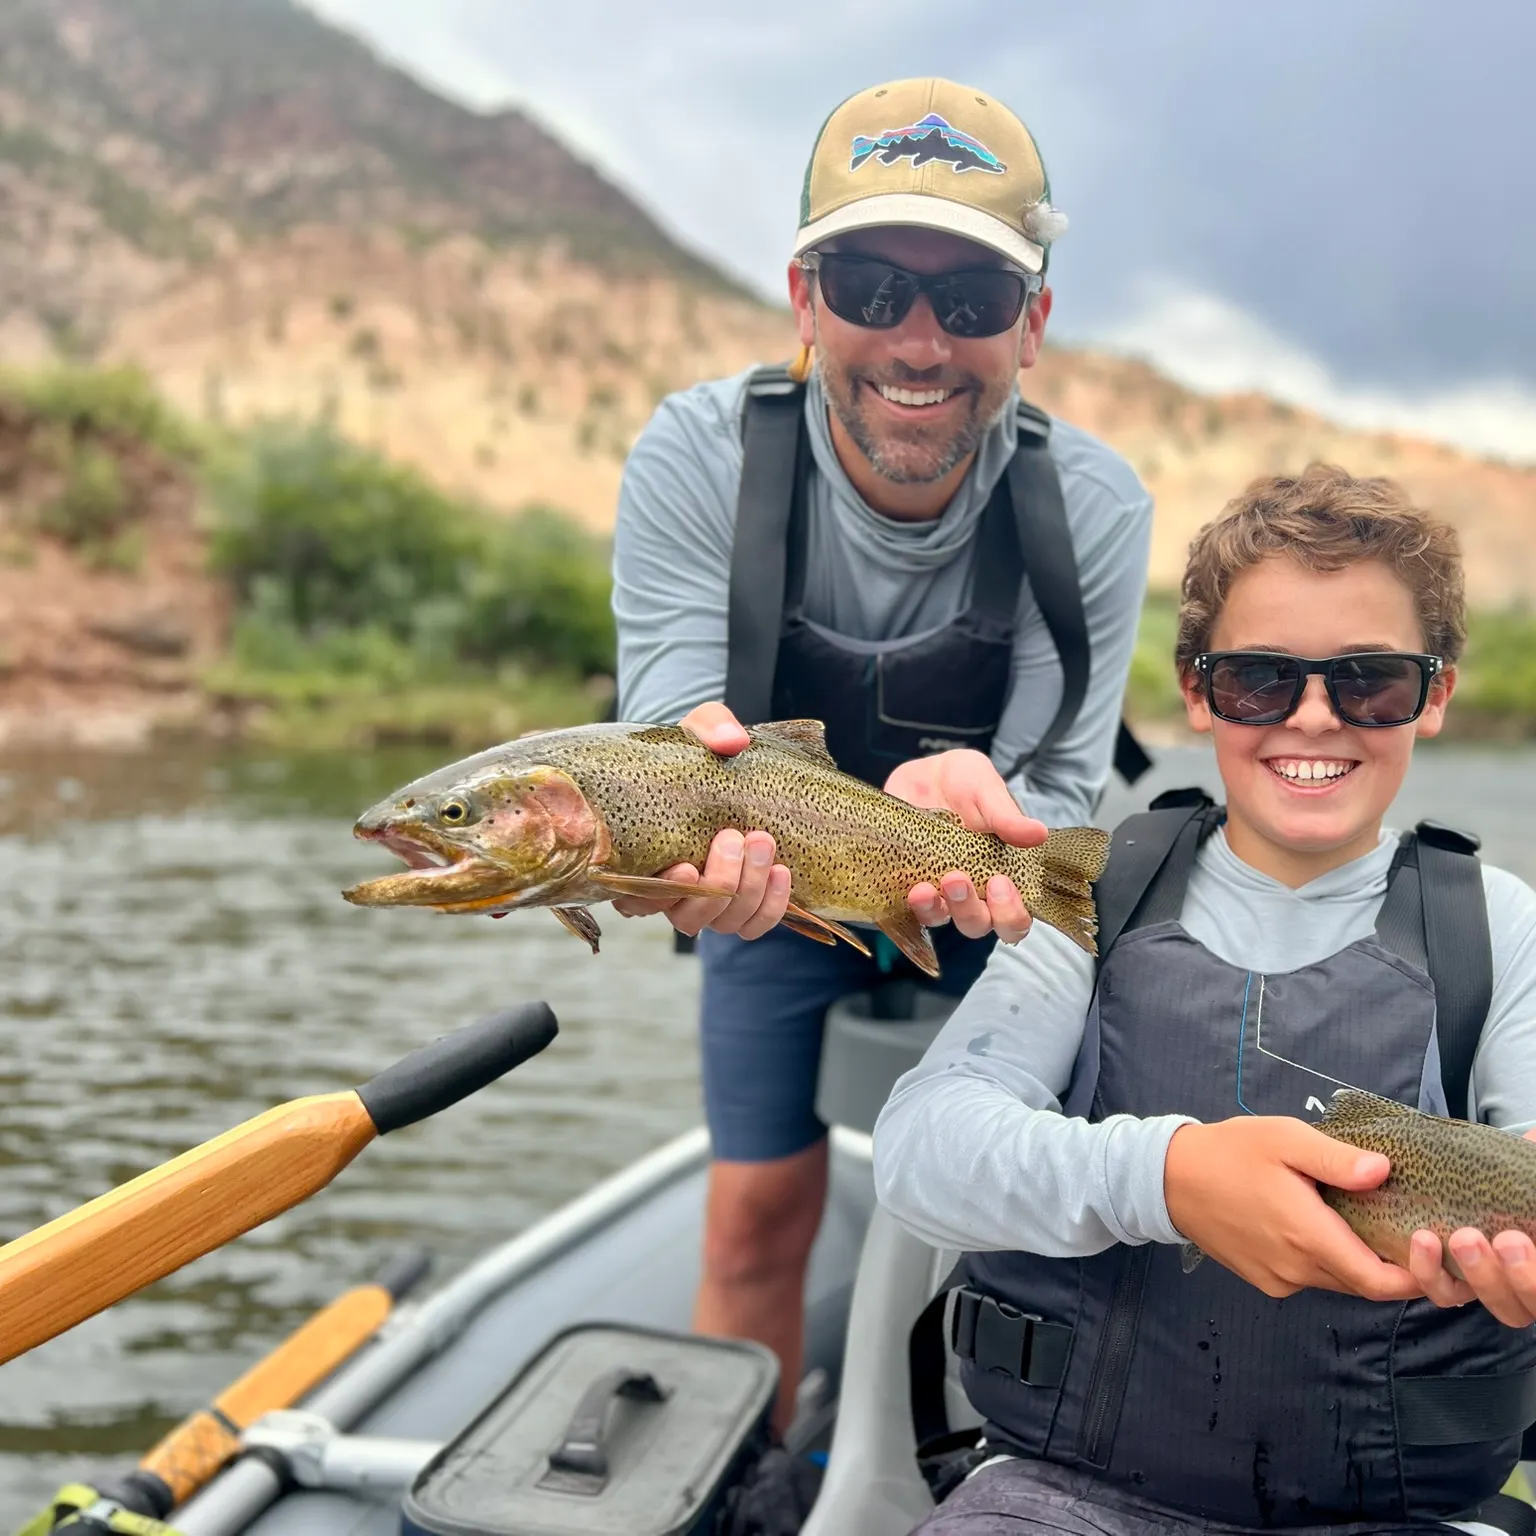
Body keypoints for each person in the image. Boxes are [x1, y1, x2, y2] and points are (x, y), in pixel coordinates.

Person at [608, 76, 1155, 1428]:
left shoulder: (1092, 505)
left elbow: (1060, 785)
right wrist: (663, 861)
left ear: (1031, 325)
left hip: (995, 876)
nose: (919, 341)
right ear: (806, 301)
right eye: (870, 286)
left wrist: (990, 817)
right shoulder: (696, 456)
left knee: (1029, 1207)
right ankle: (746, 1482)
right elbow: (667, 747)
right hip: (766, 877)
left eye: (971, 299)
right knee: (752, 1215)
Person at [873, 464, 1536, 1534]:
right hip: (1064, 1496)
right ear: (1196, 690)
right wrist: (1168, 1179)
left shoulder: (1500, 928)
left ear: (1436, 694)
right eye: (1259, 680)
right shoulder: (1096, 896)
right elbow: (921, 1150)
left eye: (1369, 681)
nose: (1313, 719)